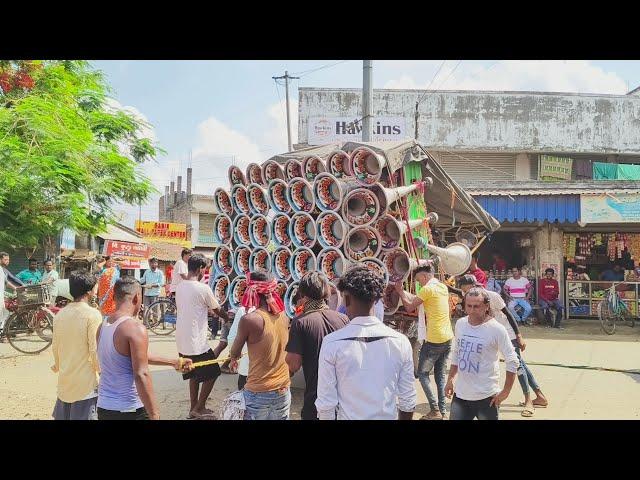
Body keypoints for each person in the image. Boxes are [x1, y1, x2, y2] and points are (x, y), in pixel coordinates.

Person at [316, 266, 416, 420]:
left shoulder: (332, 343)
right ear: (376, 299)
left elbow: (326, 405)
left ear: (347, 298)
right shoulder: (400, 342)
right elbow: (407, 401)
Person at [97, 277, 193, 420]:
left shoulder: (103, 326)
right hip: (129, 409)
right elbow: (141, 373)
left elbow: (134, 356)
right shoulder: (134, 328)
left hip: (104, 407)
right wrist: (154, 413)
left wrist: (173, 362)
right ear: (137, 297)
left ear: (113, 297)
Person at [457, 275, 548, 417]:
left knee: (517, 365)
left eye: (467, 290)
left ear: (475, 287)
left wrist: (518, 335)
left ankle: (528, 401)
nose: (466, 295)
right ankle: (540, 396)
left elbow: (509, 314)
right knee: (521, 364)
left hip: (507, 333)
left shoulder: (492, 296)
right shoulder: (469, 297)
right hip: (489, 336)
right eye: (464, 292)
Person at [445, 287, 519, 420]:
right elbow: (457, 353)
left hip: (487, 397)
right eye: (469, 306)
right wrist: (450, 379)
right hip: (461, 395)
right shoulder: (460, 324)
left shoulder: (497, 329)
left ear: (486, 306)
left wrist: (506, 391)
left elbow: (512, 360)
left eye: (476, 306)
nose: (472, 310)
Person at [285, 272, 349, 420]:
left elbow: (293, 364)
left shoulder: (300, 322)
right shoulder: (343, 319)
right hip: (343, 398)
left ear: (302, 293)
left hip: (316, 399)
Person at [229, 269, 292, 420]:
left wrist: (234, 357)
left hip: (258, 392)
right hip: (283, 389)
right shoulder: (283, 316)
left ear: (252, 291)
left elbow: (234, 353)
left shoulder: (250, 319)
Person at [394, 264, 452, 420]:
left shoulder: (427, 289)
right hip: (447, 337)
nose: (419, 283)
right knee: (440, 375)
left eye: (419, 280)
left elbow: (409, 307)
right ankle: (442, 410)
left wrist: (400, 291)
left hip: (434, 338)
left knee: (422, 373)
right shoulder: (442, 287)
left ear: (426, 276)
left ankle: (435, 410)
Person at [175, 254, 228, 419]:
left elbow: (196, 307)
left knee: (193, 375)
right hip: (196, 342)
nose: (205, 272)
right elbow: (217, 309)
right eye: (205, 269)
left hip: (182, 340)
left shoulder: (180, 286)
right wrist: (227, 318)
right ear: (199, 269)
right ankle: (198, 408)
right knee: (213, 373)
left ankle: (193, 407)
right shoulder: (202, 288)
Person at [51, 270, 102, 420]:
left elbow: (55, 346)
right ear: (90, 291)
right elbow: (94, 350)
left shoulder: (60, 314)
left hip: (65, 383)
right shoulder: (92, 315)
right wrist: (101, 372)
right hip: (85, 385)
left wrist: (57, 366)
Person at [227, 306, 252, 390]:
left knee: (244, 399)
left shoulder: (244, 310)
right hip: (272, 374)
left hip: (247, 370)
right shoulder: (279, 310)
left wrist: (233, 358)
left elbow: (232, 337)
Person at [0, 252, 20, 340]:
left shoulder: (2, 270)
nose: (8, 261)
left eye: (8, 259)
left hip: (1, 296)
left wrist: (15, 288)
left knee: (5, 312)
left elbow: (6, 282)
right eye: (5, 259)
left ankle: (2, 332)